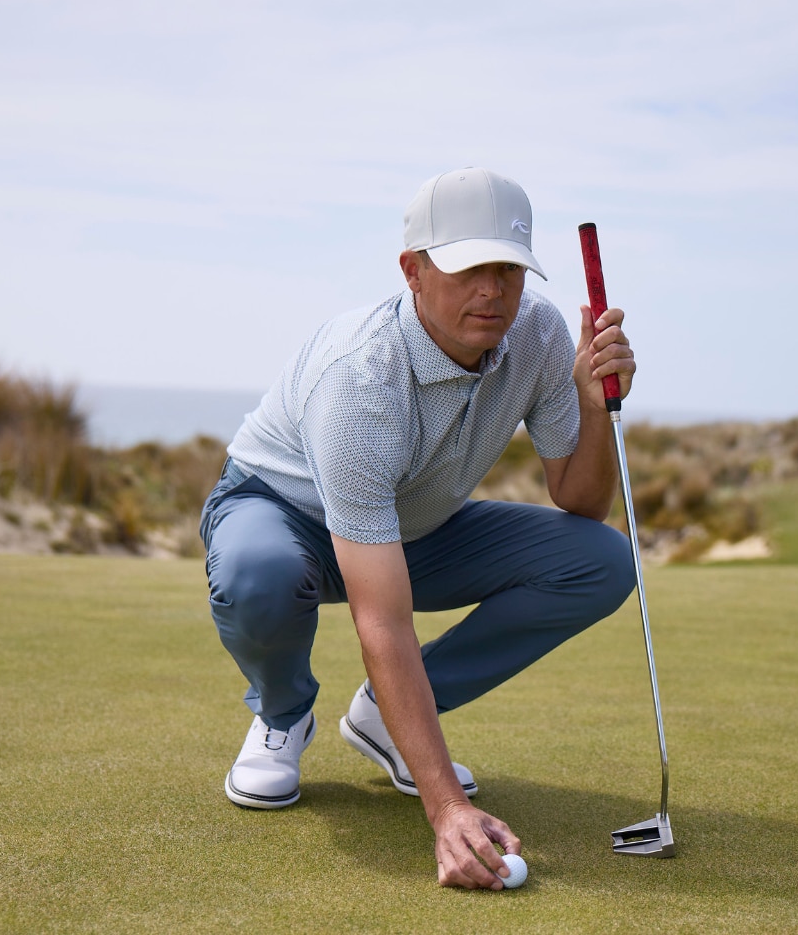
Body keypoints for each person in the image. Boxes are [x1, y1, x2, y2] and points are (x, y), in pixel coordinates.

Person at [199, 167, 638, 890]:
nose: (492, 291)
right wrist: (447, 809)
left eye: (508, 268)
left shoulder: (540, 334)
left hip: (414, 523)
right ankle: (283, 716)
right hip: (280, 515)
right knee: (259, 578)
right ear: (413, 269)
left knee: (600, 560)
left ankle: (389, 718)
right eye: (468, 269)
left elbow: (582, 503)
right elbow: (382, 619)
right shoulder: (360, 378)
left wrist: (593, 404)